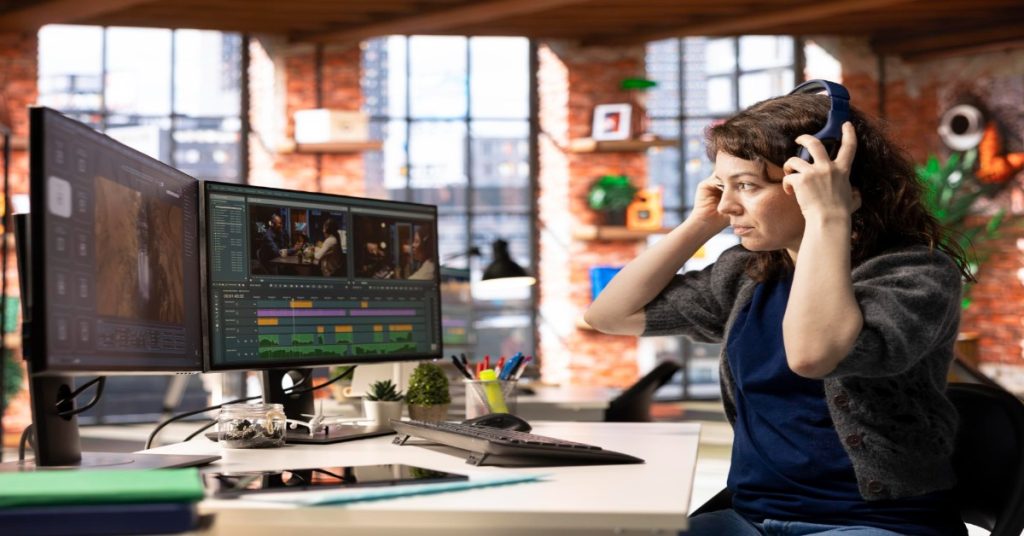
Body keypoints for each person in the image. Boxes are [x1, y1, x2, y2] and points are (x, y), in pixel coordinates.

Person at [584, 90, 972, 536]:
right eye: (720, 185)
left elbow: (811, 355)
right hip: (750, 519)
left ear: (827, 183)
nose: (728, 205)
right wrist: (699, 224)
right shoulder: (748, 276)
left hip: (876, 524)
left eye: (747, 186)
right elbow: (609, 315)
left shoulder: (913, 274)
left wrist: (828, 217)